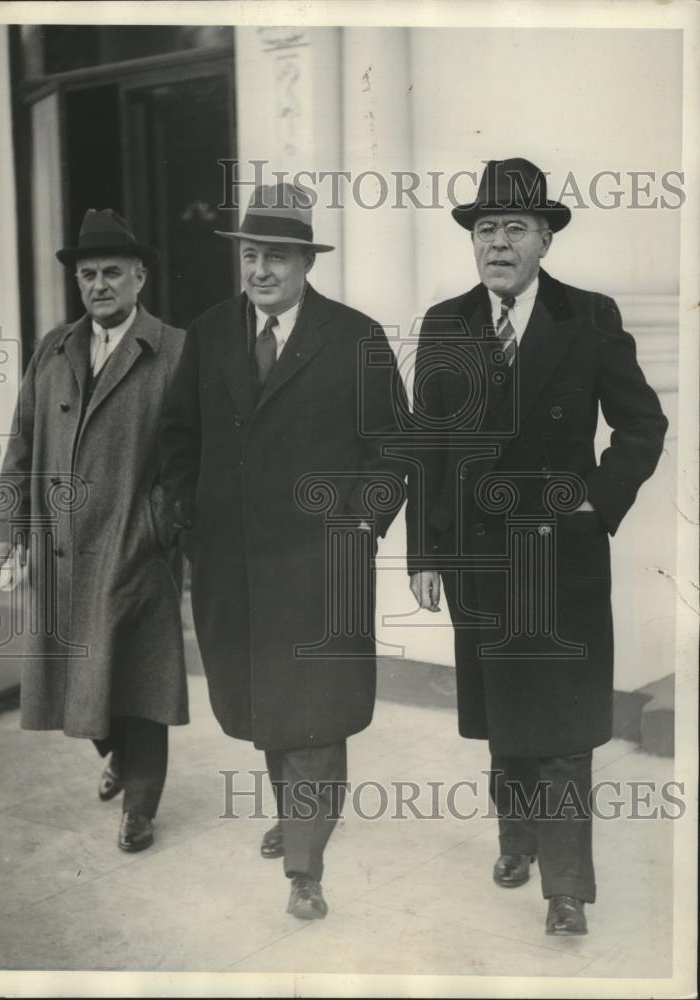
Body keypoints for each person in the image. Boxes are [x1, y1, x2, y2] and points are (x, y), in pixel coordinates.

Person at [406, 158, 668, 935]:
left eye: (515, 228)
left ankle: (567, 890)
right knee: (504, 713)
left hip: (561, 556)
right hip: (478, 556)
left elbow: (641, 424)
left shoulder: (588, 316)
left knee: (563, 724)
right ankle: (516, 838)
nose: (498, 242)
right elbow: (427, 447)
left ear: (546, 239)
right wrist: (425, 554)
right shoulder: (446, 323)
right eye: (485, 228)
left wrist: (597, 498)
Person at [160, 183, 406, 919]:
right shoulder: (209, 332)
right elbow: (178, 436)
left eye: (277, 256)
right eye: (251, 255)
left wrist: (361, 524)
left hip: (319, 563)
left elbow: (393, 445)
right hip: (234, 563)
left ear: (307, 262)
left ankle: (306, 867)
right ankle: (298, 813)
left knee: (317, 709)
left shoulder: (355, 337)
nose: (260, 270)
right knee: (265, 700)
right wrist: (188, 517)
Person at [0, 209, 189, 853]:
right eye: (87, 275)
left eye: (111, 273)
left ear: (139, 277)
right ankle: (117, 755)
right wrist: (7, 529)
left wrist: (161, 521)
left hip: (135, 542)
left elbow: (191, 457)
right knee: (82, 674)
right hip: (62, 548)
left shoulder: (174, 349)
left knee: (143, 677)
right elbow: (21, 442)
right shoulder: (53, 349)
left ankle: (140, 807)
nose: (99, 285)